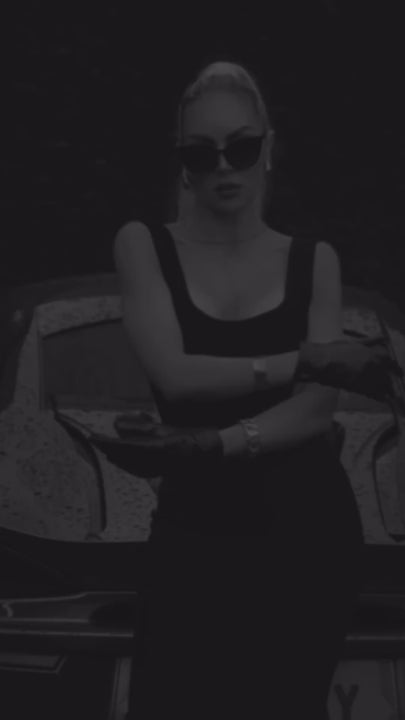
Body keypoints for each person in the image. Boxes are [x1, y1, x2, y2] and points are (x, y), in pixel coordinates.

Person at [98, 60, 401, 719]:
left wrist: (218, 443)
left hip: (305, 531)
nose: (223, 167)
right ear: (182, 162)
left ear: (268, 148)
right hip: (195, 529)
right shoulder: (144, 245)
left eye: (239, 147)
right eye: (200, 153)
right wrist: (305, 360)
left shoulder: (313, 259)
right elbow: (176, 375)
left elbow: (316, 411)